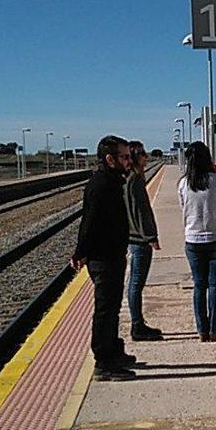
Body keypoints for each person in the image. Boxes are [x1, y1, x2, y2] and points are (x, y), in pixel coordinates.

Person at [71, 135, 137, 381]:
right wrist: (80, 252)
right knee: (105, 310)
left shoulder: (112, 181)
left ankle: (113, 350)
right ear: (110, 159)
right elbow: (89, 221)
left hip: (113, 255)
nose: (128, 161)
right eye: (124, 157)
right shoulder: (100, 185)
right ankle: (104, 361)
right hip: (103, 257)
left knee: (112, 308)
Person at [178, 142, 216, 342]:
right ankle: (215, 330)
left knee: (199, 286)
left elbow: (183, 208)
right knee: (214, 285)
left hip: (192, 239)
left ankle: (202, 331)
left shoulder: (183, 184)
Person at [124, 141, 162, 341]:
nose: (146, 158)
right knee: (136, 283)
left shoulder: (130, 178)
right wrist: (150, 237)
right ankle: (137, 325)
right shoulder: (135, 180)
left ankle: (137, 322)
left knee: (135, 283)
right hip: (139, 240)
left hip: (134, 237)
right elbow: (140, 211)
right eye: (142, 154)